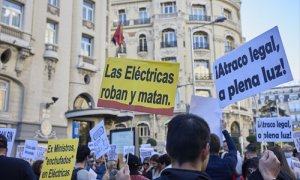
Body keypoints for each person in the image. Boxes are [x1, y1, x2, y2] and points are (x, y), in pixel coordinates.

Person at [155, 114, 281, 180]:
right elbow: (233, 150)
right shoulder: (226, 165)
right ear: (205, 151)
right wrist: (269, 177)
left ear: (168, 150)